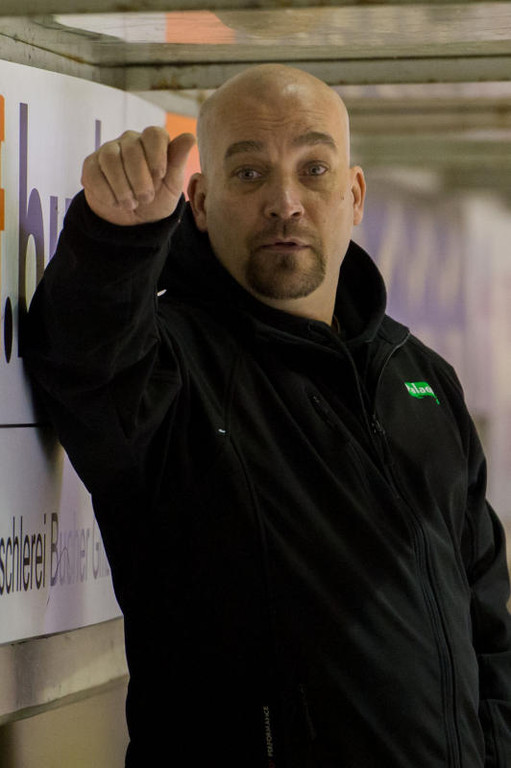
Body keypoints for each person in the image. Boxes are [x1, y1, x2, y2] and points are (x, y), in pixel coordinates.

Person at [24, 64, 511, 767]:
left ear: (354, 195)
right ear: (199, 202)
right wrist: (114, 239)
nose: (285, 202)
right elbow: (86, 363)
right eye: (250, 174)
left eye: (313, 170)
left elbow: (488, 629)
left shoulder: (419, 376)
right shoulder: (172, 366)